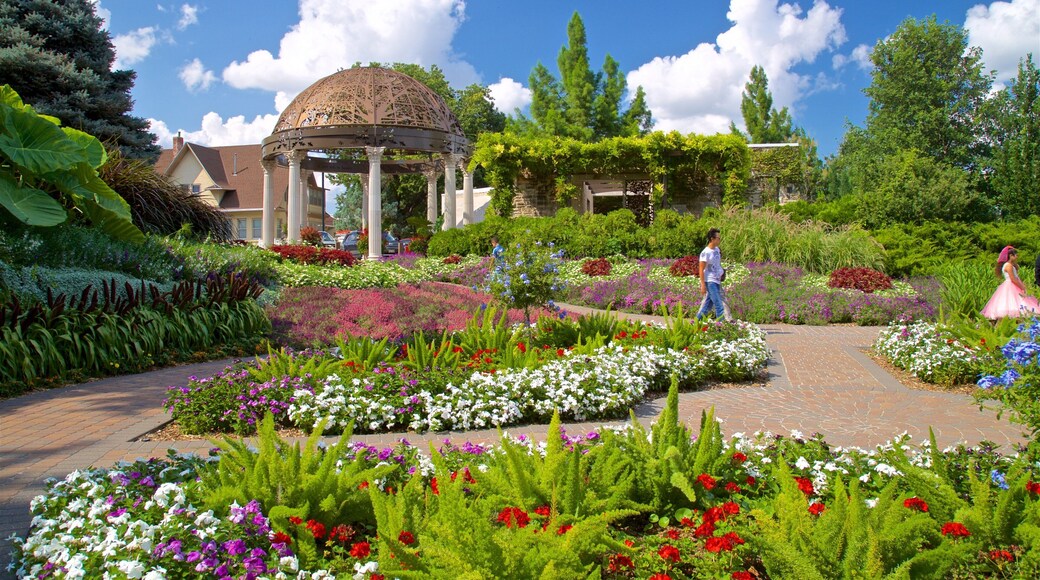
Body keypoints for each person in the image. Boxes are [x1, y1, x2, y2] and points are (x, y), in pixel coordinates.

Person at [981, 245, 1040, 320]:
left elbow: (1016, 276)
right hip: (1011, 285)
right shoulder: (1008, 266)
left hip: (1013, 284)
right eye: (1015, 255)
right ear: (1010, 255)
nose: (1017, 257)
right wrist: (1022, 287)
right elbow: (1013, 279)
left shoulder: (1011, 265)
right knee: (1014, 302)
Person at [696, 228, 730, 321]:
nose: (719, 240)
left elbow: (717, 264)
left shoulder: (717, 250)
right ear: (712, 239)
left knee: (707, 306)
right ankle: (720, 327)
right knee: (719, 305)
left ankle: (695, 323)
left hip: (717, 280)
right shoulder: (705, 253)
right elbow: (701, 269)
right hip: (710, 281)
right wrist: (702, 285)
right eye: (718, 238)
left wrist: (721, 272)